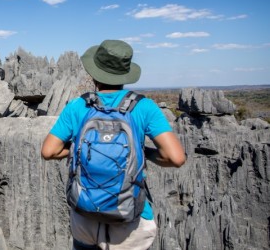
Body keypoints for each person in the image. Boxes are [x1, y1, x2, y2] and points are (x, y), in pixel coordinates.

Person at [41, 39, 186, 250]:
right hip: (129, 220)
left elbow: (48, 151)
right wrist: (144, 153)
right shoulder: (144, 107)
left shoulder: (77, 106)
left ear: (94, 73)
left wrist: (74, 149)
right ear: (125, 75)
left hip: (86, 217)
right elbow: (176, 157)